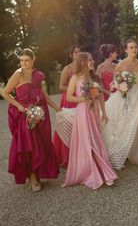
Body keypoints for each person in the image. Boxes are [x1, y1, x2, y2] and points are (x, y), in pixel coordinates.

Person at [56, 52, 117, 190]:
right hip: (82, 112)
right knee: (89, 141)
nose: (93, 61)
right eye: (90, 60)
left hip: (93, 112)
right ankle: (97, 173)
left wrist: (104, 112)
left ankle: (100, 170)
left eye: (92, 59)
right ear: (83, 62)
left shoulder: (93, 77)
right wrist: (84, 99)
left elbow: (100, 96)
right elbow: (70, 97)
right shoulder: (76, 78)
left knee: (96, 139)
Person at [1, 48, 59, 191]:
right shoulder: (17, 74)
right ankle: (33, 180)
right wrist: (19, 106)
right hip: (24, 114)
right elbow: (5, 93)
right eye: (21, 60)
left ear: (33, 60)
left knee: (40, 143)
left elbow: (42, 93)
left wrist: (55, 107)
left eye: (27, 60)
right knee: (28, 145)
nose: (24, 63)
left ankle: (37, 175)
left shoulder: (36, 75)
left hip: (39, 113)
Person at [101, 39, 138, 174]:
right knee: (122, 129)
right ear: (126, 50)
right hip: (125, 99)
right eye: (131, 47)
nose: (134, 49)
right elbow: (115, 84)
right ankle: (118, 155)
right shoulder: (120, 65)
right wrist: (122, 88)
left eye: (135, 47)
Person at [53, 44, 81, 167]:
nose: (78, 54)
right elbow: (61, 86)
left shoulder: (83, 67)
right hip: (69, 100)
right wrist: (73, 89)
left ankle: (79, 155)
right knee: (69, 126)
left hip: (81, 99)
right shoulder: (67, 68)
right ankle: (66, 157)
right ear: (71, 55)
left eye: (79, 51)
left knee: (80, 126)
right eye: (76, 52)